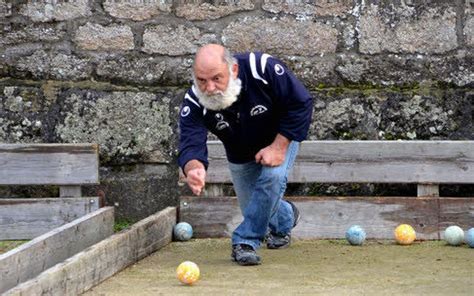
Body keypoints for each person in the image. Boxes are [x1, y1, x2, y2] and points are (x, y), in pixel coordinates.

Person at [178, 44, 313, 266]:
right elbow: (190, 141)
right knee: (256, 206)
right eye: (202, 80)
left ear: (233, 70)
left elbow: (300, 103)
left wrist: (278, 147)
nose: (209, 88)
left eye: (216, 78)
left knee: (272, 178)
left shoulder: (262, 68)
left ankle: (245, 241)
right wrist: (193, 168)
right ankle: (286, 217)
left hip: (279, 138)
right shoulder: (194, 100)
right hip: (240, 153)